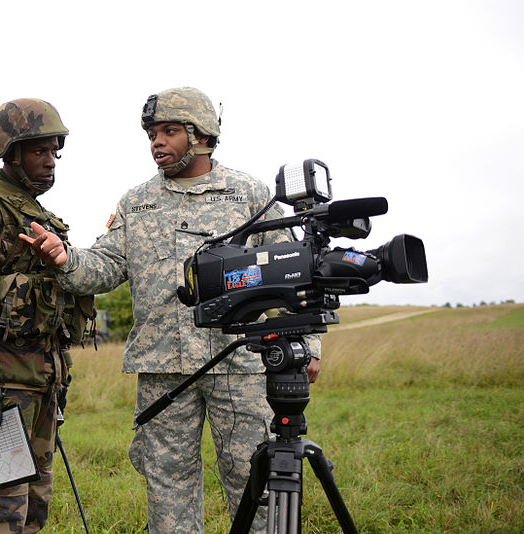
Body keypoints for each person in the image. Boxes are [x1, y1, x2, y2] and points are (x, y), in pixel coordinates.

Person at [21, 86, 321, 533]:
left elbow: (296, 272)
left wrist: (307, 342)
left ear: (201, 135)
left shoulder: (249, 195)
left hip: (238, 365)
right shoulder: (136, 202)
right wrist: (65, 258)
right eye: (151, 134)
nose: (156, 142)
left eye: (169, 131)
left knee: (255, 485)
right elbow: (105, 266)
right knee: (167, 490)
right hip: (162, 373)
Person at [0, 98, 94, 533]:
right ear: (10, 153)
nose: (50, 163)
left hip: (42, 382)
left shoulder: (38, 216)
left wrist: (57, 378)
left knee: (34, 506)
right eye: (38, 152)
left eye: (54, 152)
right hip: (1, 384)